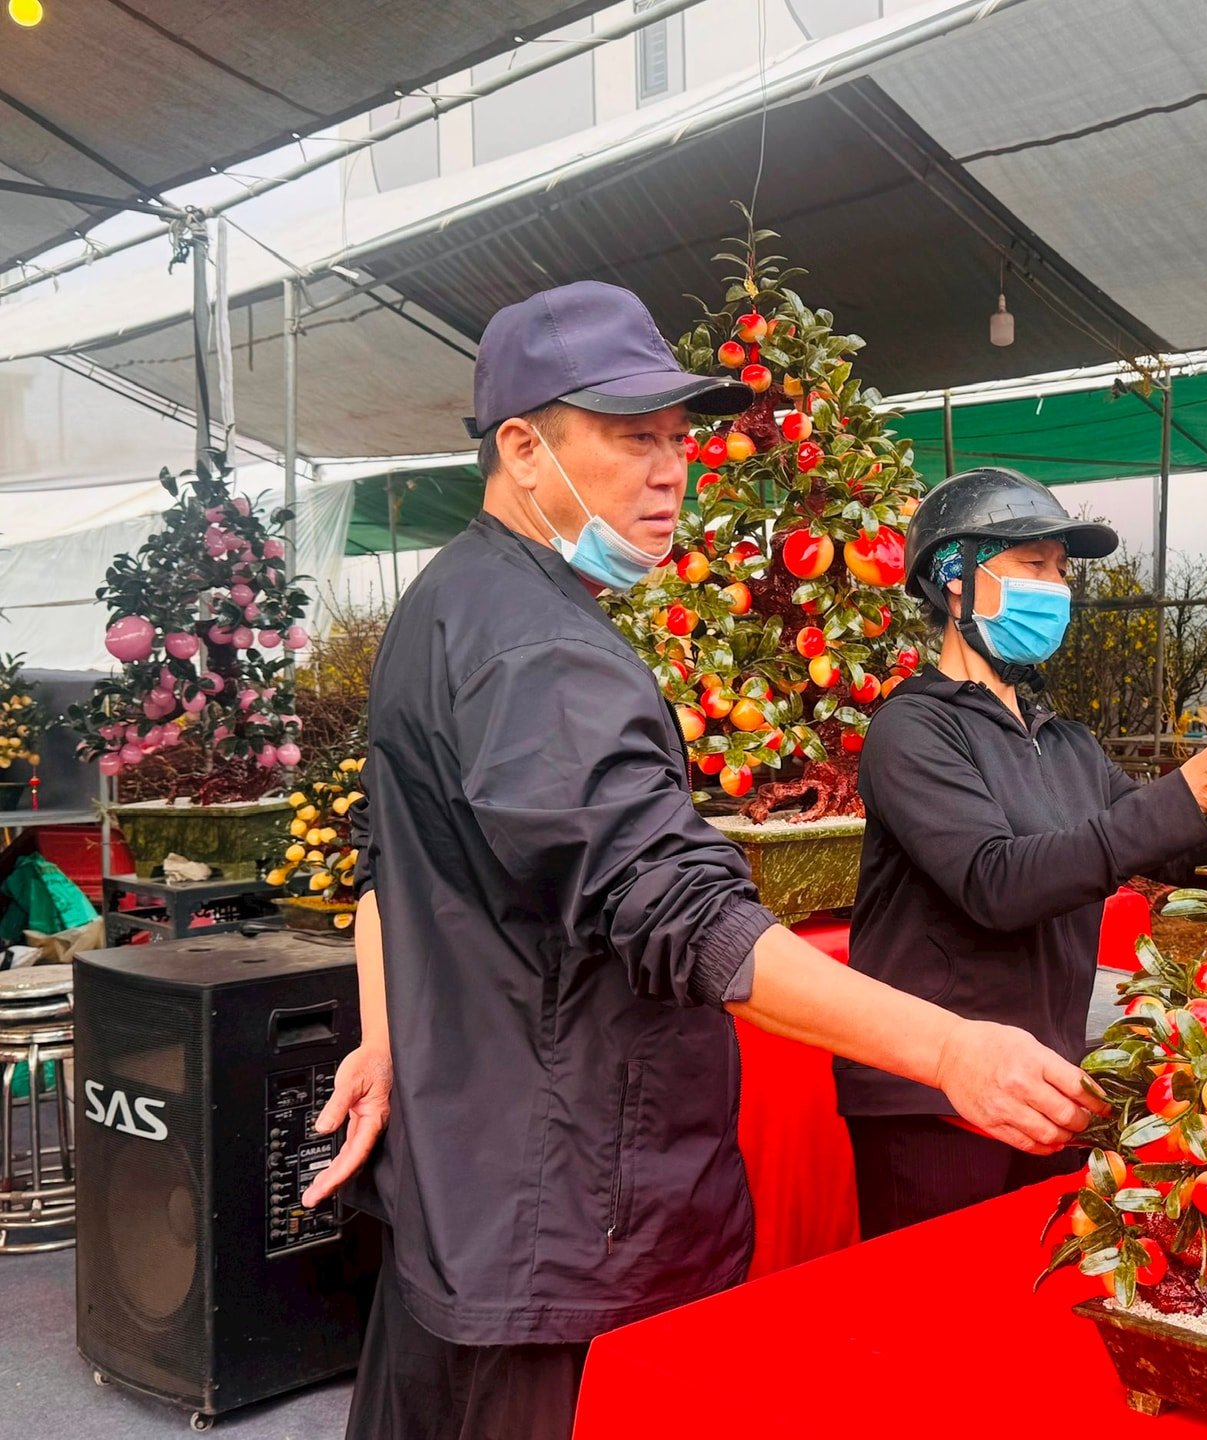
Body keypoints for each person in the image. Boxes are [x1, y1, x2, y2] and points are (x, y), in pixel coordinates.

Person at [297, 284, 1099, 1440]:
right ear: (524, 448)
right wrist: (948, 1048)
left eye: (679, 439)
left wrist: (388, 1039)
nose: (672, 470)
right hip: (567, 1222)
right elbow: (678, 909)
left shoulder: (448, 608)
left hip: (471, 1195)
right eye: (632, 439)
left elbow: (392, 872)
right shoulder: (539, 654)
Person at [836, 467, 1207, 1237]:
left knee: (1035, 1306)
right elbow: (995, 882)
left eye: (1061, 571)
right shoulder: (912, 731)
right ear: (955, 579)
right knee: (939, 1317)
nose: (1056, 588)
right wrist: (1187, 791)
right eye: (1033, 565)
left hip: (1047, 1081)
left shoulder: (1062, 740)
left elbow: (1171, 850)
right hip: (934, 1096)